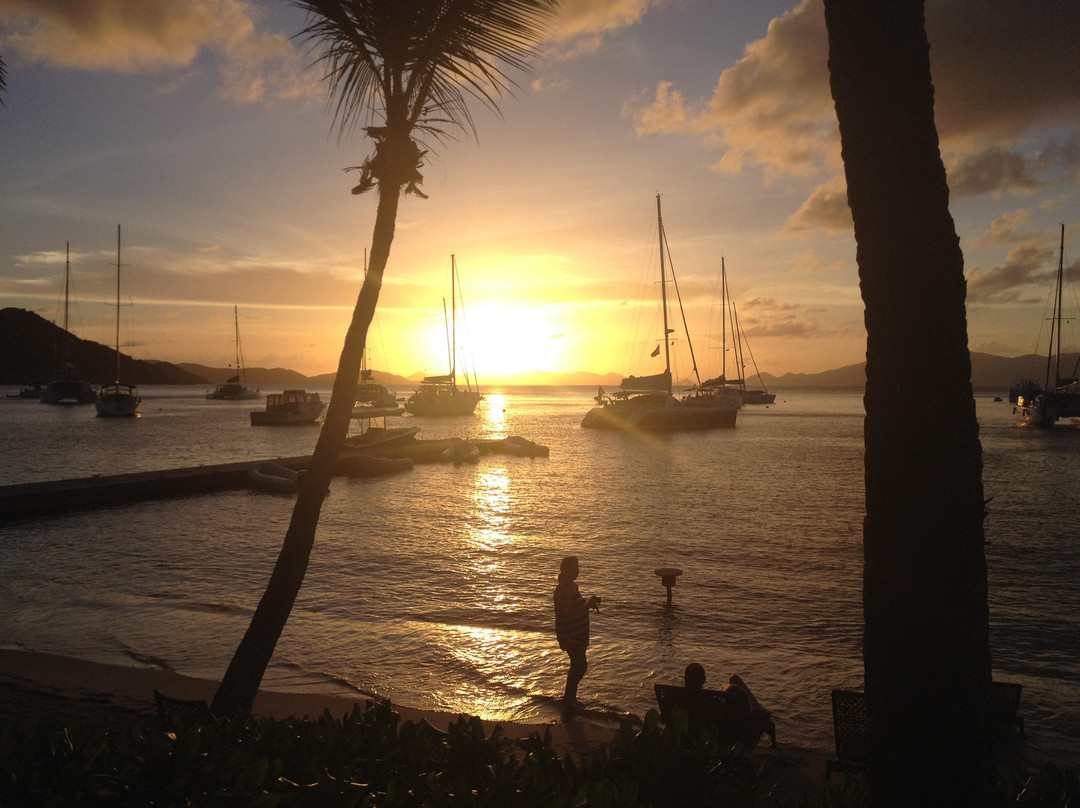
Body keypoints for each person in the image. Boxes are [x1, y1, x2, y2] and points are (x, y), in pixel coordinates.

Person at [553, 555, 600, 708]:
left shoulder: (573, 586)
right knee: (580, 666)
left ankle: (570, 698)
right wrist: (587, 606)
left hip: (578, 634)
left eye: (577, 568)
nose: (577, 571)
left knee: (576, 666)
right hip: (570, 634)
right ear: (565, 570)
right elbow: (569, 613)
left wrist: (589, 605)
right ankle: (568, 699)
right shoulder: (563, 589)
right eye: (574, 568)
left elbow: (577, 607)